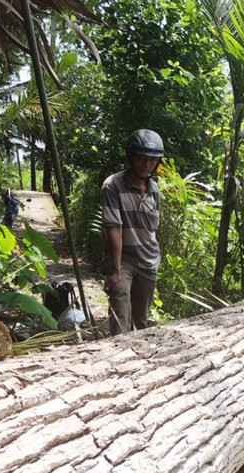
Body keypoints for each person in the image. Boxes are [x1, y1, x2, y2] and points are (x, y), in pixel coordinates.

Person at [101, 129, 164, 335]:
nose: (147, 165)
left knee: (140, 322)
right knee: (120, 316)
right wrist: (116, 270)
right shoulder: (113, 186)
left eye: (152, 160)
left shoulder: (155, 191)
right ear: (131, 157)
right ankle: (118, 357)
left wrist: (153, 263)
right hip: (124, 260)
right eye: (141, 159)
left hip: (148, 263)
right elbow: (114, 228)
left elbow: (150, 231)